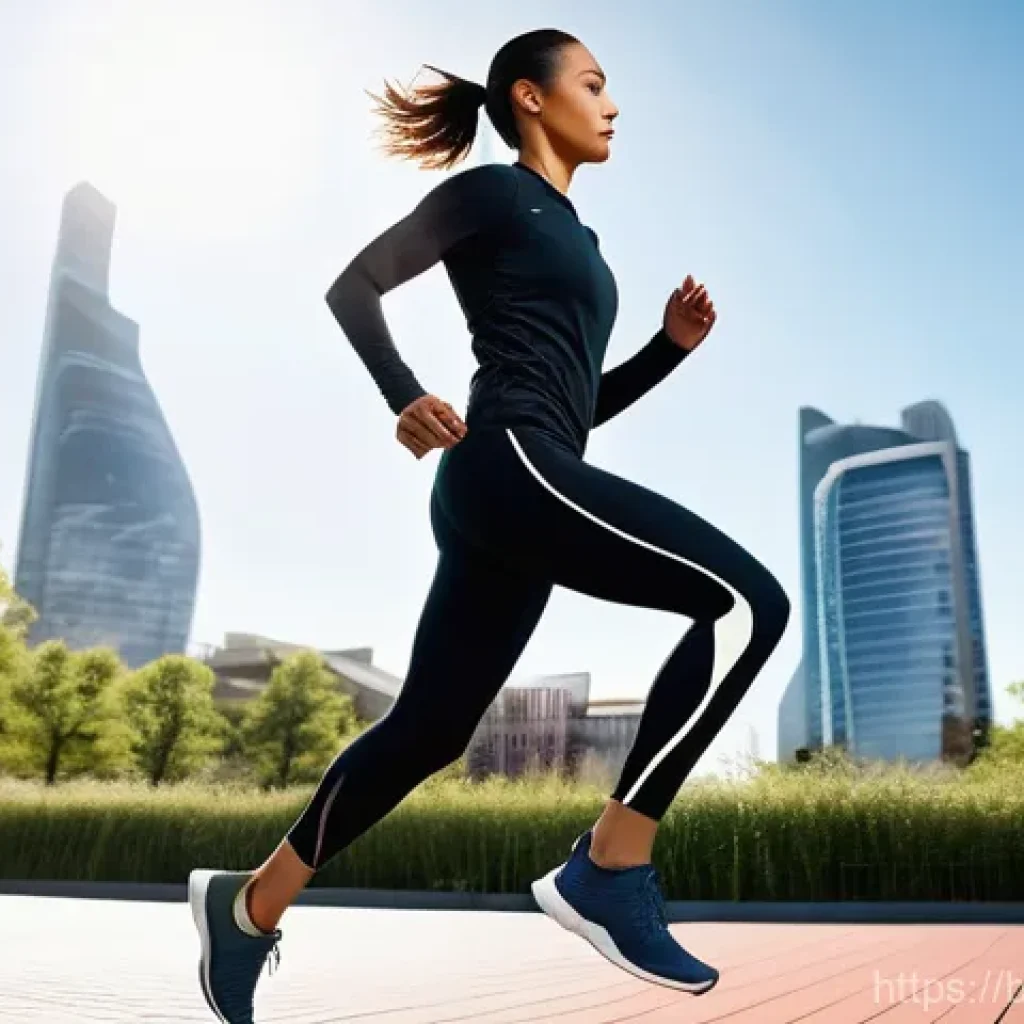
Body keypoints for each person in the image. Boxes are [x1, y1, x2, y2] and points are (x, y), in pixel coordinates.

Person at [189, 27, 790, 1023]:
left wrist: (667, 349)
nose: (611, 103)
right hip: (500, 465)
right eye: (592, 84)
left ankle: (245, 908)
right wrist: (403, 392)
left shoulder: (582, 243)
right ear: (528, 96)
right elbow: (356, 285)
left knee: (429, 729)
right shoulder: (489, 192)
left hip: (530, 472)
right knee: (743, 604)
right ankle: (610, 866)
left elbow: (575, 406)